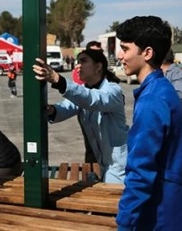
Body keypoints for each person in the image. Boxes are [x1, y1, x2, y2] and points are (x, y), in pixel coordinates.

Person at [115, 16, 182, 230]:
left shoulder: (152, 100)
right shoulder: (161, 89)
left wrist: (124, 224)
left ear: (147, 53)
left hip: (162, 213)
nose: (119, 55)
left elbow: (141, 172)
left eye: (125, 49)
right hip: (175, 207)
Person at [33, 49, 127, 184]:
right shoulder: (84, 92)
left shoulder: (113, 91)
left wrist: (58, 80)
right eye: (77, 62)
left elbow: (93, 100)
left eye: (83, 61)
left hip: (119, 166)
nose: (78, 66)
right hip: (103, 164)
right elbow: (66, 108)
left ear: (98, 67)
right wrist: (51, 110)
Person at [161, 48, 182, 156]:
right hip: (170, 123)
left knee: (179, 158)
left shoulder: (175, 73)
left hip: (179, 124)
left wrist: (162, 101)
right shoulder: (164, 73)